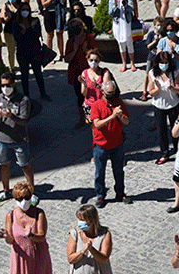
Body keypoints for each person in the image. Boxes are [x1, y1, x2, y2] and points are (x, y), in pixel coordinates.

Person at [0, 70, 36, 205]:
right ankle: (6, 191)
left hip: (19, 140)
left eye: (8, 85)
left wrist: (12, 116)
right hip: (2, 139)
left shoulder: (23, 100)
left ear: (13, 84)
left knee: (25, 166)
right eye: (2, 85)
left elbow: (24, 121)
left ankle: (31, 193)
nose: (5, 88)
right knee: (4, 166)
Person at [89, 80, 131, 208]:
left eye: (113, 92)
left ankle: (120, 193)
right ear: (103, 91)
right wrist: (113, 116)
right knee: (100, 172)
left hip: (117, 143)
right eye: (109, 93)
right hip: (101, 145)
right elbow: (97, 124)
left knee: (119, 171)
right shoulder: (96, 105)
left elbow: (127, 121)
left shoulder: (119, 102)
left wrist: (120, 116)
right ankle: (100, 195)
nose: (111, 95)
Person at [0, 181, 51, 274]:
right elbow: (11, 241)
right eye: (20, 199)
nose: (24, 201)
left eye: (27, 197)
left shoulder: (39, 213)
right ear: (15, 199)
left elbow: (42, 237)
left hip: (38, 256)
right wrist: (6, 236)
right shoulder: (10, 215)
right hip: (20, 257)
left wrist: (31, 235)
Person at [147, 50, 179, 164]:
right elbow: (151, 92)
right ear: (157, 62)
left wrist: (171, 87)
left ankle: (178, 151)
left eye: (166, 62)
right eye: (162, 62)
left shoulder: (175, 72)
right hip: (159, 106)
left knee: (176, 130)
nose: (164, 64)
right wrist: (157, 89)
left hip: (173, 104)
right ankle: (165, 153)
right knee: (161, 131)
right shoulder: (152, 73)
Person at [65, 204, 113, 274]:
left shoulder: (105, 234)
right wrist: (83, 251)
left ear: (92, 220)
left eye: (82, 220)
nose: (80, 222)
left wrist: (91, 249)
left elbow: (103, 259)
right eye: (79, 219)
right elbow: (70, 259)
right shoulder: (74, 233)